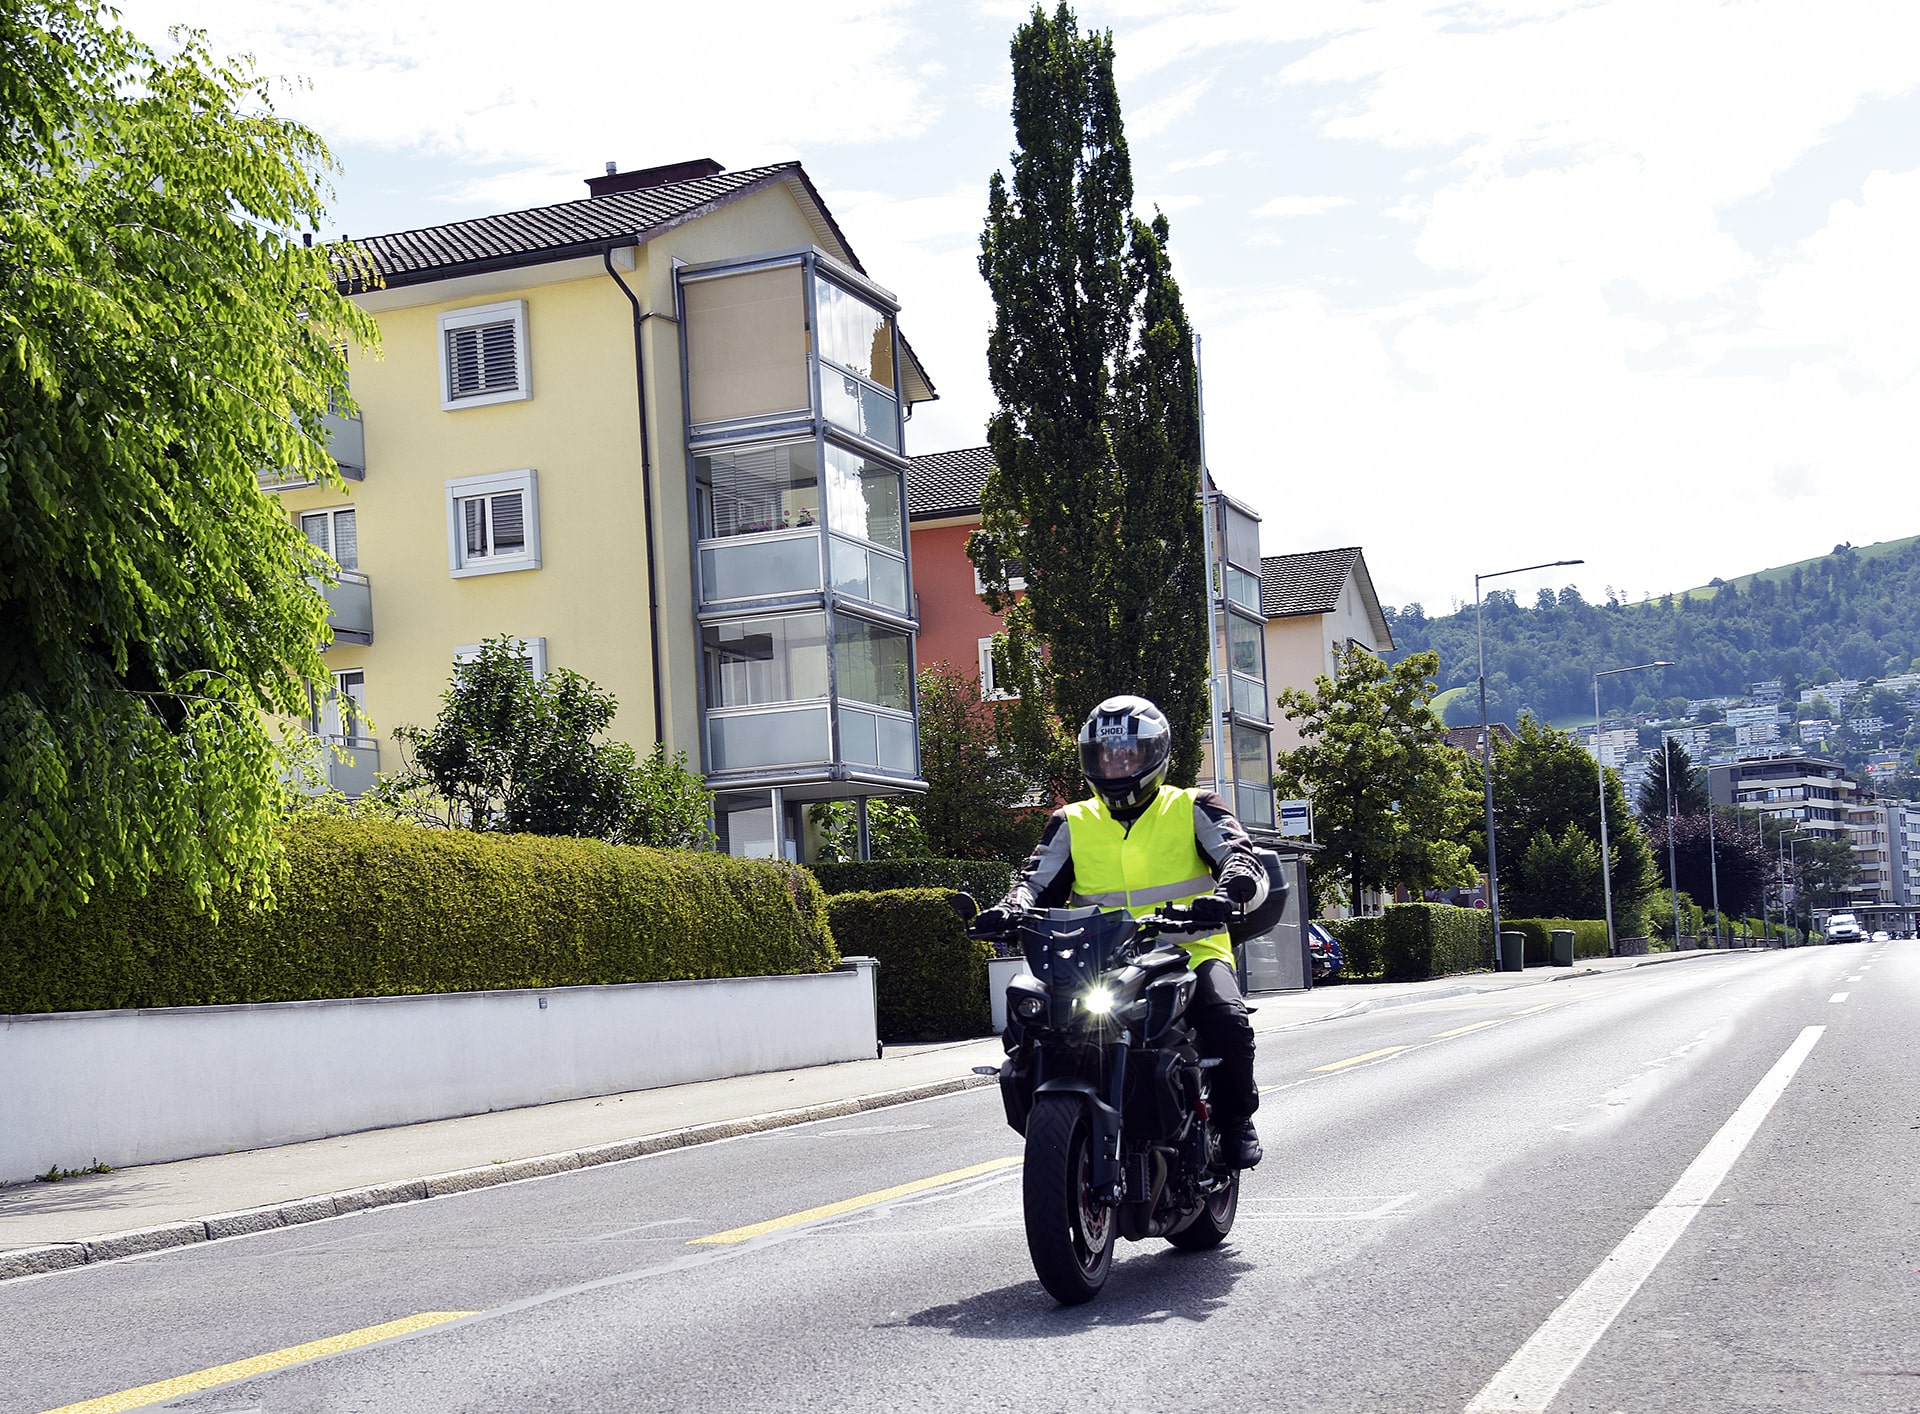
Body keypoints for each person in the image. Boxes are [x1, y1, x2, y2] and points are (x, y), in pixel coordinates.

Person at [978, 694, 1271, 1169]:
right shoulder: (1071, 821)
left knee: (1227, 1021)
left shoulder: (1194, 806)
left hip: (1190, 950)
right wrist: (1009, 910)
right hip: (1098, 962)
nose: (1116, 763)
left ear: (1154, 754)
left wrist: (1230, 892)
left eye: (1128, 753)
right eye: (1106, 755)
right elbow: (1034, 883)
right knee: (1032, 1023)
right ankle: (1055, 1124)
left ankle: (1237, 1120)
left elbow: (1241, 859)